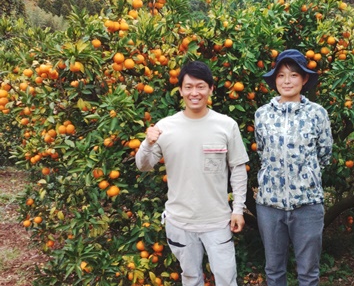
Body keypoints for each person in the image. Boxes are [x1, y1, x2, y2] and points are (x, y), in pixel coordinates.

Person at [135, 60, 249, 286]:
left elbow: (237, 168)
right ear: (180, 90)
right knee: (190, 278)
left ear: (210, 89)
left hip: (217, 221)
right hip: (180, 222)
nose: (194, 92)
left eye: (200, 86)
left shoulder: (226, 125)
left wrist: (238, 209)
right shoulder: (166, 127)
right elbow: (144, 165)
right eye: (188, 87)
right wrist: (147, 143)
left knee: (227, 279)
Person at [254, 49, 333, 286]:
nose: (286, 81)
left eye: (293, 75)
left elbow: (325, 154)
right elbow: (262, 152)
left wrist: (304, 177)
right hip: (270, 206)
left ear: (304, 79)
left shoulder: (317, 114)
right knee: (274, 270)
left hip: (307, 205)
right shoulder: (262, 114)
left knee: (308, 273)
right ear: (275, 80)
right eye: (281, 75)